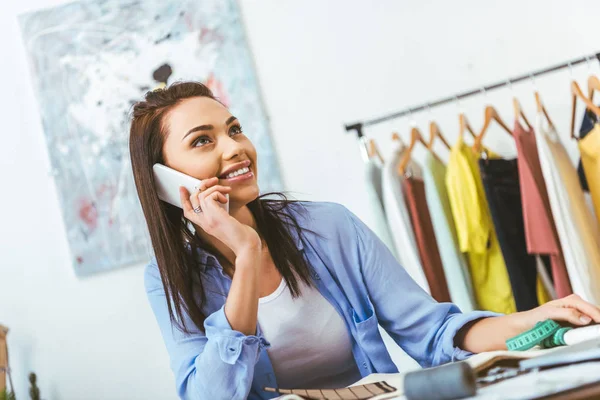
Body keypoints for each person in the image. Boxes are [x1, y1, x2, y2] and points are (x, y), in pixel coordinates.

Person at [129, 81, 600, 400]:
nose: (235, 147)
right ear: (166, 182)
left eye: (234, 129)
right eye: (202, 141)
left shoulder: (329, 228)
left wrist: (532, 320)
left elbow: (433, 334)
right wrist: (248, 255)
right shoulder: (169, 279)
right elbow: (210, 394)